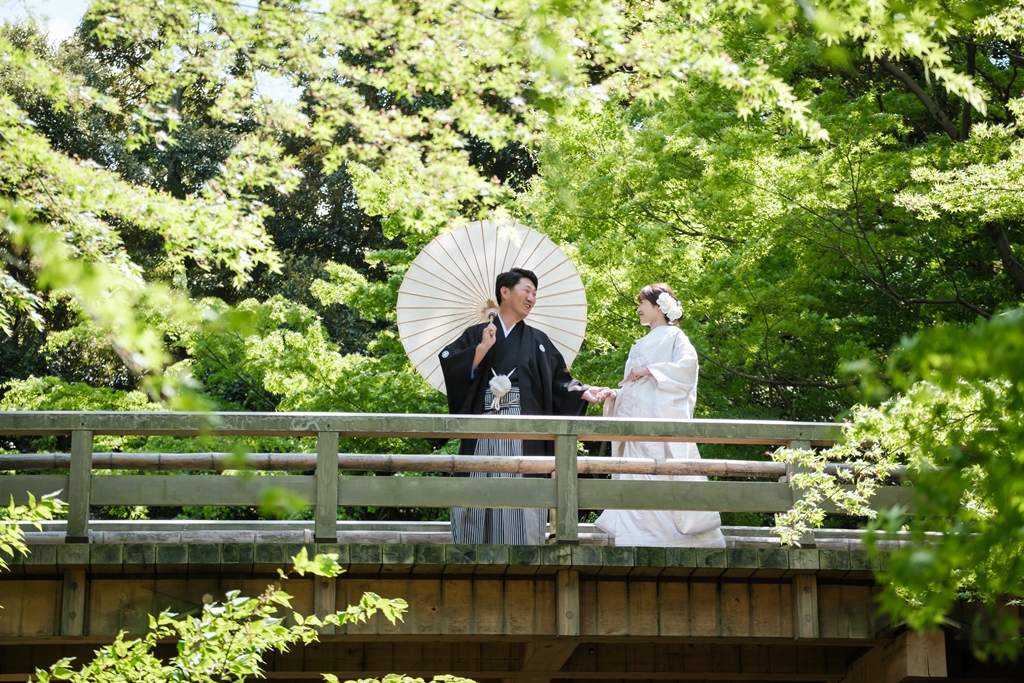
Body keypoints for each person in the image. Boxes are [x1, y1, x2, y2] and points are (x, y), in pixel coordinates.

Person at [439, 267, 607, 545]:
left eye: (535, 293)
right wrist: (481, 349)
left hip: (522, 425)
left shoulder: (537, 340)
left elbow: (558, 381)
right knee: (478, 485)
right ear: (504, 292)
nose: (532, 297)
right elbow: (450, 361)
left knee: (520, 486)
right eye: (526, 290)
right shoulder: (477, 334)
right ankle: (471, 549)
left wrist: (583, 392)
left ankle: (522, 549)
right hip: (484, 423)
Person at [594, 283, 726, 548]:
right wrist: (616, 398)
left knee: (666, 474)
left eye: (642, 303)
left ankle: (675, 540)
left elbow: (687, 369)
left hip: (661, 424)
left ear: (658, 306)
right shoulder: (638, 345)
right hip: (635, 426)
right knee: (635, 477)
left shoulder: (676, 337)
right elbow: (631, 388)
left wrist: (651, 370)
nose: (638, 309)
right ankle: (634, 540)